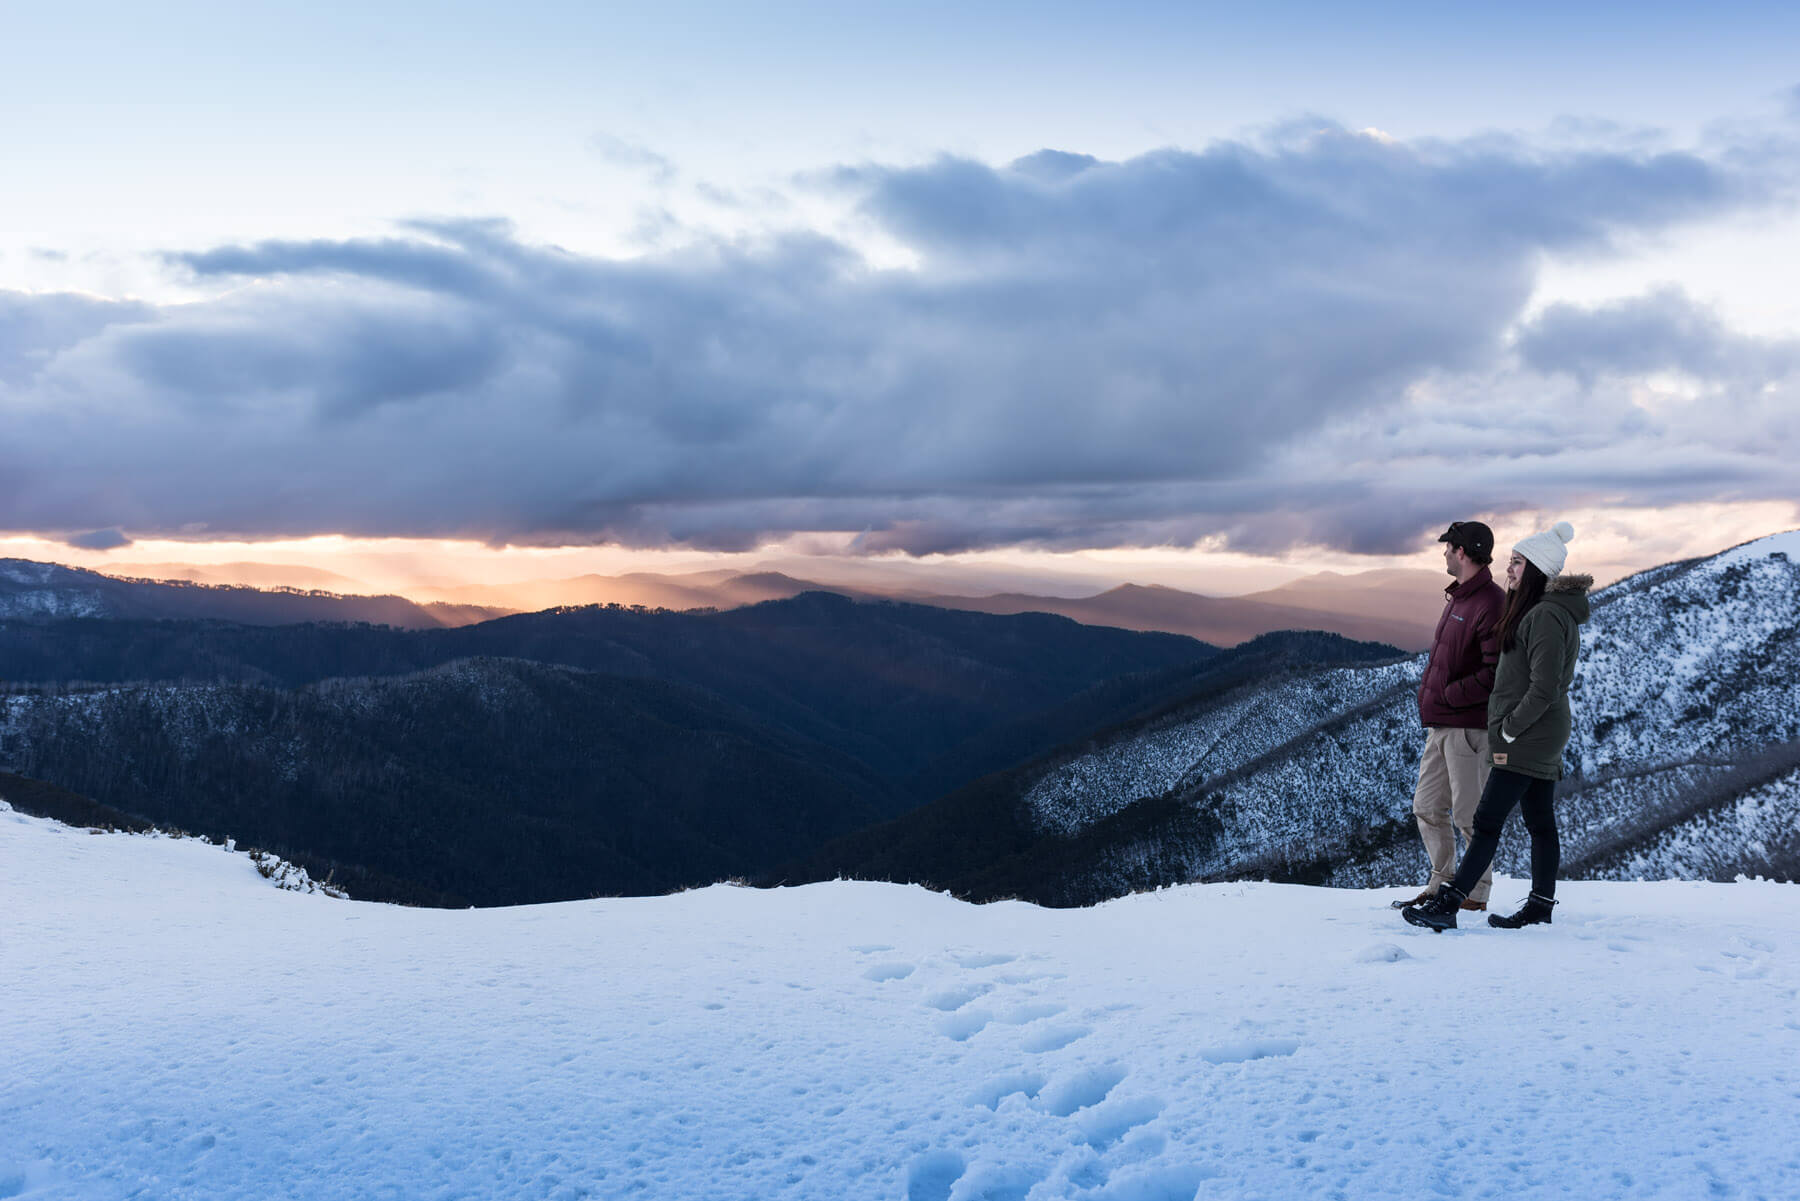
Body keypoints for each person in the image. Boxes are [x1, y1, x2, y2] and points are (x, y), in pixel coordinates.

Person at [1403, 521, 1591, 932]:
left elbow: (1543, 687)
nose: (1510, 568)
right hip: (1536, 730)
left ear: (1538, 569)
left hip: (1527, 733)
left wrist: (1507, 729)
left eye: (1518, 563)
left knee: (1486, 820)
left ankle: (1449, 903)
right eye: (1511, 561)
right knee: (1540, 822)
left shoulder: (1543, 616)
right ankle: (1540, 905)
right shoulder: (1539, 611)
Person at [1389, 521, 1505, 914]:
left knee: (1470, 816)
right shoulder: (1460, 598)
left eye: (1448, 547)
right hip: (1443, 724)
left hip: (1469, 729)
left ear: (1463, 552)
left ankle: (1476, 891)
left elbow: (1495, 672)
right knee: (1426, 805)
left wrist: (1451, 694)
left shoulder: (1490, 602)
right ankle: (1442, 881)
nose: (1443, 553)